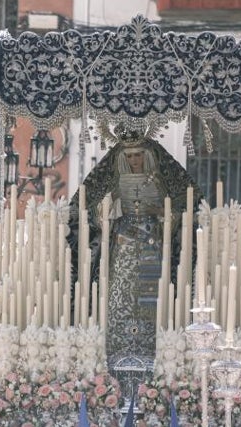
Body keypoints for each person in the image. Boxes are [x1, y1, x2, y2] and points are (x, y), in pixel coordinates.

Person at [67, 125, 198, 365]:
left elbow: (176, 212)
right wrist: (106, 210)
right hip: (123, 240)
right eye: (129, 156)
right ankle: (118, 342)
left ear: (146, 156)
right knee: (121, 289)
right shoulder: (116, 183)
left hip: (151, 241)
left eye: (138, 155)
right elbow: (99, 212)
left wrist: (157, 211)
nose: (134, 160)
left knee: (150, 291)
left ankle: (150, 343)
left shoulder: (158, 181)